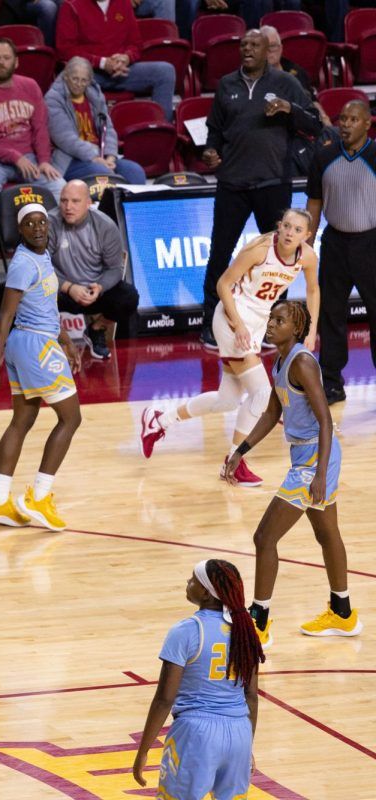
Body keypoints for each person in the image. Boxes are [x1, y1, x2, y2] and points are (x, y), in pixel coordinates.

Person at [140, 210, 319, 488]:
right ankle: (233, 462)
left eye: (297, 230)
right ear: (279, 226)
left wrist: (312, 329)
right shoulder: (260, 249)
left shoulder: (307, 257)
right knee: (261, 392)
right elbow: (223, 284)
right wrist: (238, 325)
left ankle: (158, 421)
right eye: (286, 226)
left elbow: (313, 291)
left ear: (307, 235)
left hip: (257, 322)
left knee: (227, 400)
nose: (289, 233)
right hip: (231, 317)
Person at [224, 300, 362, 646]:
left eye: (280, 320)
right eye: (271, 318)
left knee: (264, 537)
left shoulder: (302, 362)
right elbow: (273, 410)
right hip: (305, 454)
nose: (271, 324)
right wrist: (240, 451)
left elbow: (326, 420)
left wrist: (318, 473)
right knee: (327, 533)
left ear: (296, 329)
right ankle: (342, 613)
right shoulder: (280, 360)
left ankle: (259, 621)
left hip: (316, 456)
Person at [199, 30, 320, 350]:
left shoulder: (286, 83)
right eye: (244, 45)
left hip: (272, 183)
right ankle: (211, 322)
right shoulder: (226, 85)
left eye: (255, 45)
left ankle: (274, 325)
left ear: (269, 50)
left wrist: (289, 109)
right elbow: (214, 131)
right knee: (220, 255)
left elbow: (314, 123)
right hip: (232, 183)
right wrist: (211, 151)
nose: (248, 49)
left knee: (280, 258)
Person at [0, 204, 81, 531]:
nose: (38, 228)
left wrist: (65, 338)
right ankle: (39, 496)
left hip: (29, 344)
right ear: (19, 231)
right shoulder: (23, 263)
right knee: (71, 417)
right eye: (30, 224)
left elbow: (47, 304)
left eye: (42, 222)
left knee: (22, 420)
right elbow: (5, 315)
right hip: (34, 345)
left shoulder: (41, 255)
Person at [130, 560, 263, 800]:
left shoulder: (187, 630)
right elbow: (251, 696)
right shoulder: (246, 630)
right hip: (240, 732)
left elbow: (164, 698)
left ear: (205, 592)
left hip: (197, 734)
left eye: (192, 579)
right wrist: (248, 747)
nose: (187, 583)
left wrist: (143, 750)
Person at [306, 100, 376, 406]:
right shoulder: (323, 156)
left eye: (352, 119)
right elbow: (314, 205)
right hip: (335, 243)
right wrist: (306, 247)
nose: (345, 124)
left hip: (371, 243)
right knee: (331, 314)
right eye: (342, 118)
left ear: (367, 124)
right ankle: (332, 383)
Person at [0, 39, 65, 218]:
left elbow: (40, 127)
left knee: (60, 188)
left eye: (6, 58)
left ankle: (53, 237)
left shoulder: (30, 86)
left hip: (30, 158)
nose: (1, 62)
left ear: (16, 62)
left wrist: (44, 160)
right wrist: (14, 157)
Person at [47, 180, 140, 359]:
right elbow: (39, 269)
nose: (68, 207)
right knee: (30, 293)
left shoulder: (105, 226)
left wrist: (100, 287)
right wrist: (68, 287)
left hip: (93, 290)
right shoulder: (49, 224)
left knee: (128, 296)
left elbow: (115, 268)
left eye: (75, 201)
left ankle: (97, 329)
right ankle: (43, 343)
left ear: (88, 203)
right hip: (61, 291)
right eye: (64, 201)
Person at [55, 0, 176, 120]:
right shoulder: (71, 5)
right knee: (68, 79)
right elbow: (66, 50)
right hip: (91, 73)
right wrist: (102, 62)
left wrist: (127, 57)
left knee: (165, 72)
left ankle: (162, 132)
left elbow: (136, 44)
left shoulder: (123, 3)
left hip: (122, 71)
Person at [45, 57, 148, 186]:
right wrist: (95, 158)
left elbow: (108, 128)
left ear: (89, 81)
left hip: (100, 155)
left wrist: (110, 156)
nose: (79, 84)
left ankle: (132, 206)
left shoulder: (95, 95)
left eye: (84, 81)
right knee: (102, 174)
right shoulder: (53, 99)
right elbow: (65, 139)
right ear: (66, 76)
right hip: (71, 159)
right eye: (75, 79)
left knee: (135, 172)